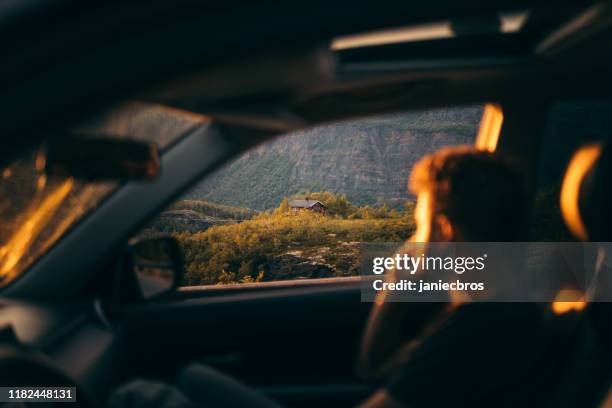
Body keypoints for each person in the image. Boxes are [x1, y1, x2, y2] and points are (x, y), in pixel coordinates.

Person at [110, 146, 545, 408]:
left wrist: (396, 279)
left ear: (445, 230)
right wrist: (396, 282)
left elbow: (372, 371)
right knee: (193, 377)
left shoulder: (477, 329)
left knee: (140, 397)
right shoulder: (495, 309)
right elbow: (373, 368)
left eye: (419, 225)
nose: (413, 240)